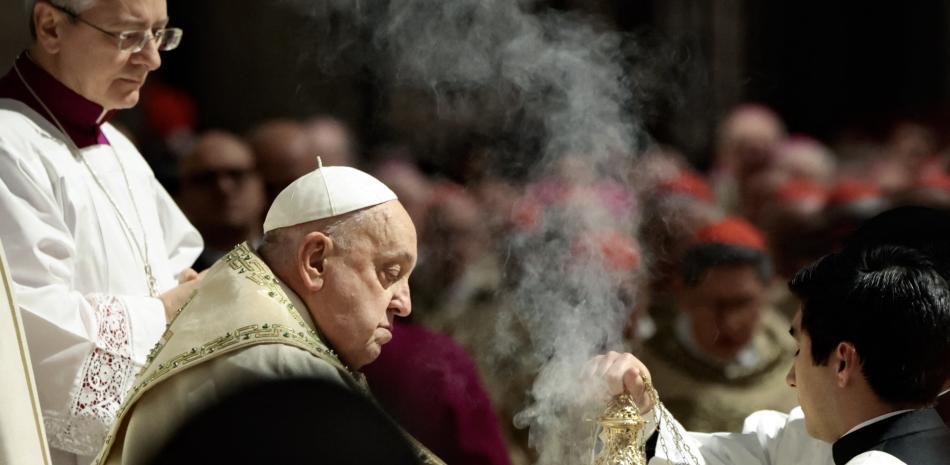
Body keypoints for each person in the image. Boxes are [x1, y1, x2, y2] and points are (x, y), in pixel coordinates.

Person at [93, 163, 444, 465]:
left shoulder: (249, 319)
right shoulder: (274, 367)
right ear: (315, 261)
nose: (404, 304)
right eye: (390, 272)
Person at [0, 0, 202, 462]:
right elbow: (25, 325)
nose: (152, 58)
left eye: (161, 34)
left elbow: (176, 268)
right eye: (128, 37)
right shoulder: (8, 144)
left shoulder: (119, 147)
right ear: (50, 27)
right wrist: (165, 314)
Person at [590, 242, 950, 465]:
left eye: (799, 351)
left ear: (842, 362)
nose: (791, 378)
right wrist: (636, 406)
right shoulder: (822, 438)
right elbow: (713, 460)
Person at [637, 216, 797, 432]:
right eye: (714, 304)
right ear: (684, 296)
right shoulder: (645, 371)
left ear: (768, 292)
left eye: (742, 302)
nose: (730, 323)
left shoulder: (797, 366)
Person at [177, 130, 265, 270]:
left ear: (261, 182)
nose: (224, 188)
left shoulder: (298, 260)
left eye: (236, 174)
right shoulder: (173, 273)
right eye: (206, 179)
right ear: (182, 194)